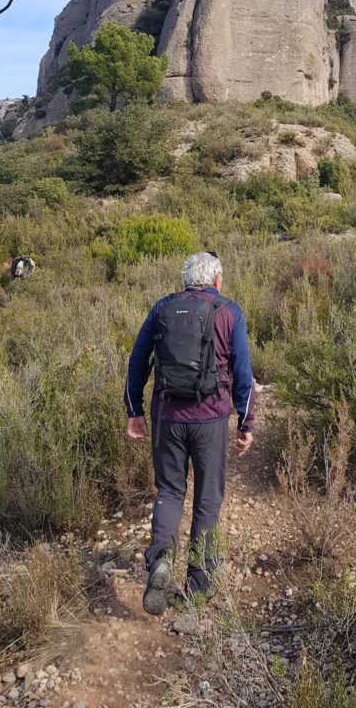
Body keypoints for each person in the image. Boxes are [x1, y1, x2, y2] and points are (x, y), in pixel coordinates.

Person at [125, 251, 255, 615]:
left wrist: (134, 411)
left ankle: (162, 559)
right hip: (211, 419)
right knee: (208, 499)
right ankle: (198, 585)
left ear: (186, 280)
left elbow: (137, 362)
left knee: (169, 490)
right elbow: (243, 373)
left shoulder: (161, 309)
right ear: (216, 280)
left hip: (166, 416)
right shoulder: (229, 312)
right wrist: (246, 423)